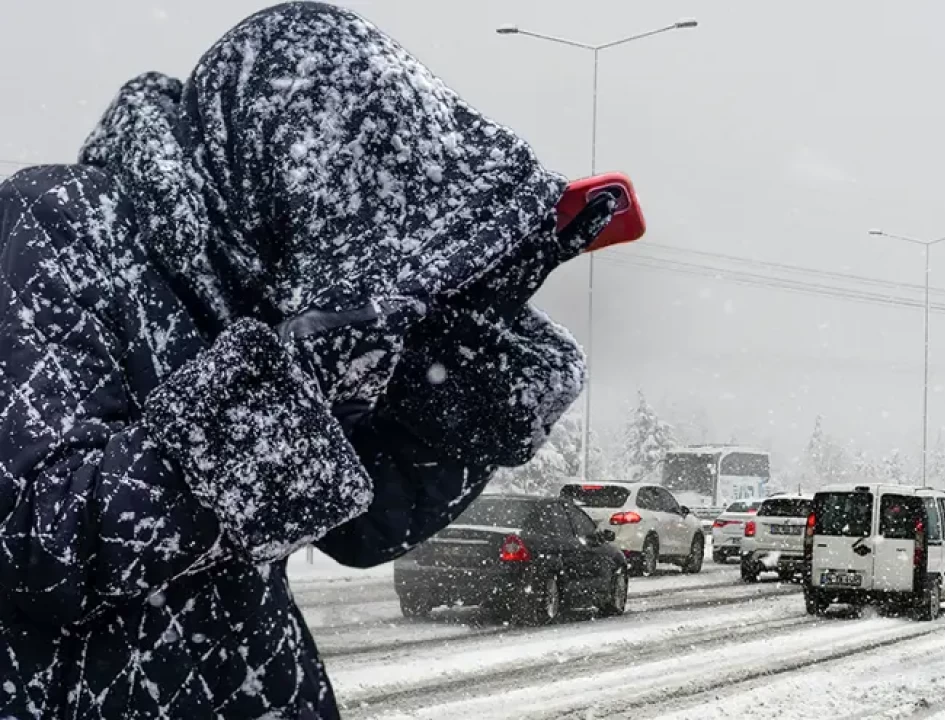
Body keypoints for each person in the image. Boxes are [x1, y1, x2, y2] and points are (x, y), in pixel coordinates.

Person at [0, 3, 614, 717]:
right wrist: (296, 390)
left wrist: (458, 376)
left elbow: (363, 530)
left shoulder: (268, 278)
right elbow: (38, 543)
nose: (356, 239)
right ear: (284, 157)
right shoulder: (61, 218)